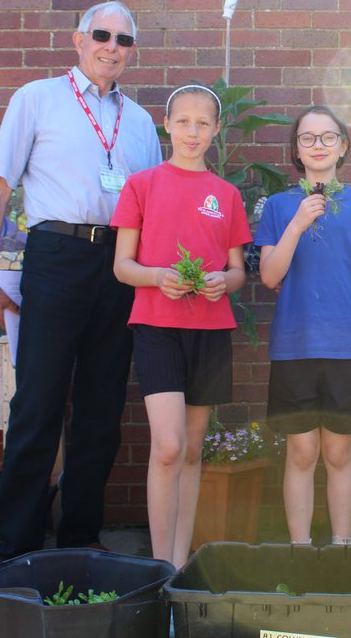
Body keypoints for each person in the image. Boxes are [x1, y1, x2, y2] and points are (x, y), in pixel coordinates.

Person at [0, 1, 163, 562]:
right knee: (38, 401)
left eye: (124, 40)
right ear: (78, 40)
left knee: (103, 408)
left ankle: (80, 537)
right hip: (55, 257)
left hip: (121, 267)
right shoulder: (37, 98)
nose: (112, 46)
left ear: (132, 50)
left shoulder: (142, 122)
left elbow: (154, 206)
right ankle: (16, 546)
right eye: (102, 35)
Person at [110, 83, 251, 566]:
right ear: (166, 125)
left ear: (215, 129)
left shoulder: (226, 194)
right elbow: (122, 266)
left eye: (203, 123)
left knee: (192, 449)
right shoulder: (141, 185)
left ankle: (180, 564)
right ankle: (159, 567)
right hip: (157, 326)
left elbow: (237, 272)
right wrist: (157, 277)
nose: (193, 131)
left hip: (210, 331)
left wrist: (221, 282)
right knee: (167, 447)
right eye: (183, 121)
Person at [255, 105, 351, 547]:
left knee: (339, 451)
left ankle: (340, 548)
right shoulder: (278, 206)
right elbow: (270, 275)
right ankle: (300, 550)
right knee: (302, 451)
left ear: (342, 145)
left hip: (345, 344)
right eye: (308, 138)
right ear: (296, 149)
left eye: (327, 137)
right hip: (294, 345)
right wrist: (298, 222)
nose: (317, 145)